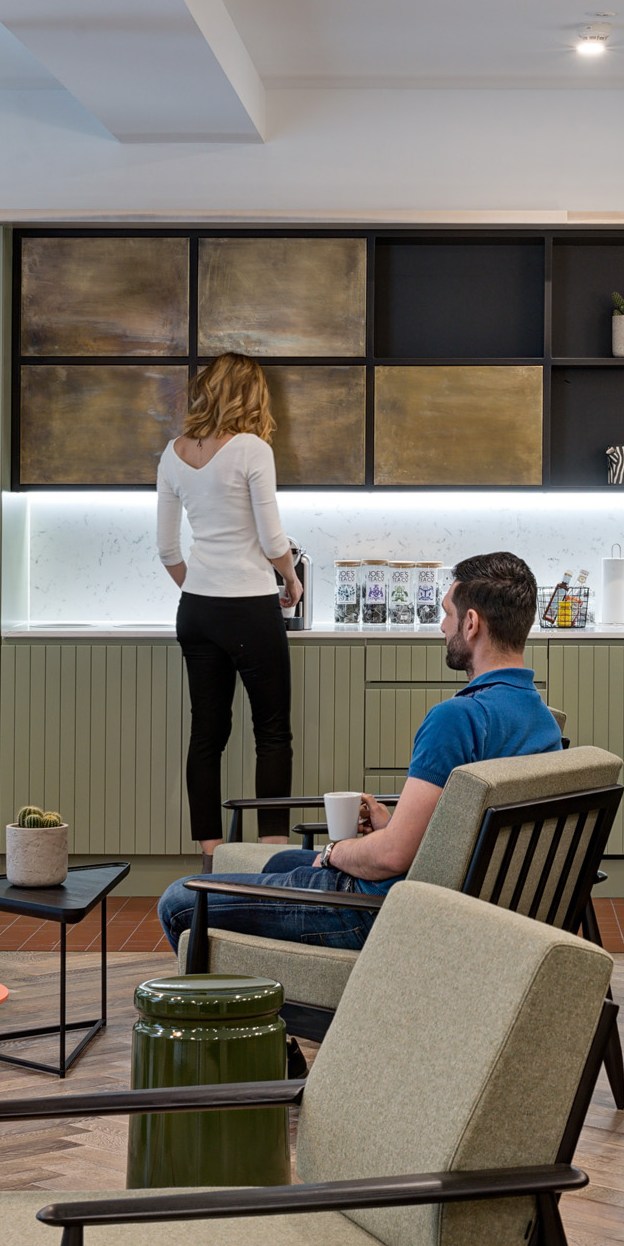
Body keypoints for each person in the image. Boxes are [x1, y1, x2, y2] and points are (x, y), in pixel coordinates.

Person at [156, 551, 559, 951]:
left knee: (179, 900)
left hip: (374, 909)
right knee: (281, 863)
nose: (441, 626)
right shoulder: (540, 721)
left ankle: (244, 1004)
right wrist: (390, 825)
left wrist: (336, 852)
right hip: (462, 900)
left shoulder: (457, 719)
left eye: (447, 614)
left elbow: (392, 857)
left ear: (471, 624)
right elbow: (460, 835)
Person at [160, 352, 304, 855]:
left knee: (207, 734)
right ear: (251, 395)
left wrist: (199, 586)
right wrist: (291, 579)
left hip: (196, 610)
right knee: (271, 733)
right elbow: (273, 540)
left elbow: (166, 549)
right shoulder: (251, 448)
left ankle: (213, 856)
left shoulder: (173, 453)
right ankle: (268, 858)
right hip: (249, 607)